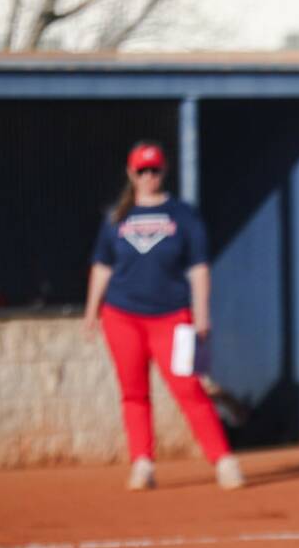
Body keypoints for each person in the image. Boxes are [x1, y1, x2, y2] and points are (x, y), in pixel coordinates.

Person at [82, 141, 245, 491]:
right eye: (142, 170)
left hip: (171, 316)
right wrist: (91, 311)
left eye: (154, 169)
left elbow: (198, 267)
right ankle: (142, 463)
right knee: (134, 392)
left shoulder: (182, 215)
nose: (148, 176)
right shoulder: (116, 216)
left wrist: (202, 315)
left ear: (164, 171)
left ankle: (223, 460)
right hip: (122, 315)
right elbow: (102, 266)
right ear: (131, 173)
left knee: (188, 387)